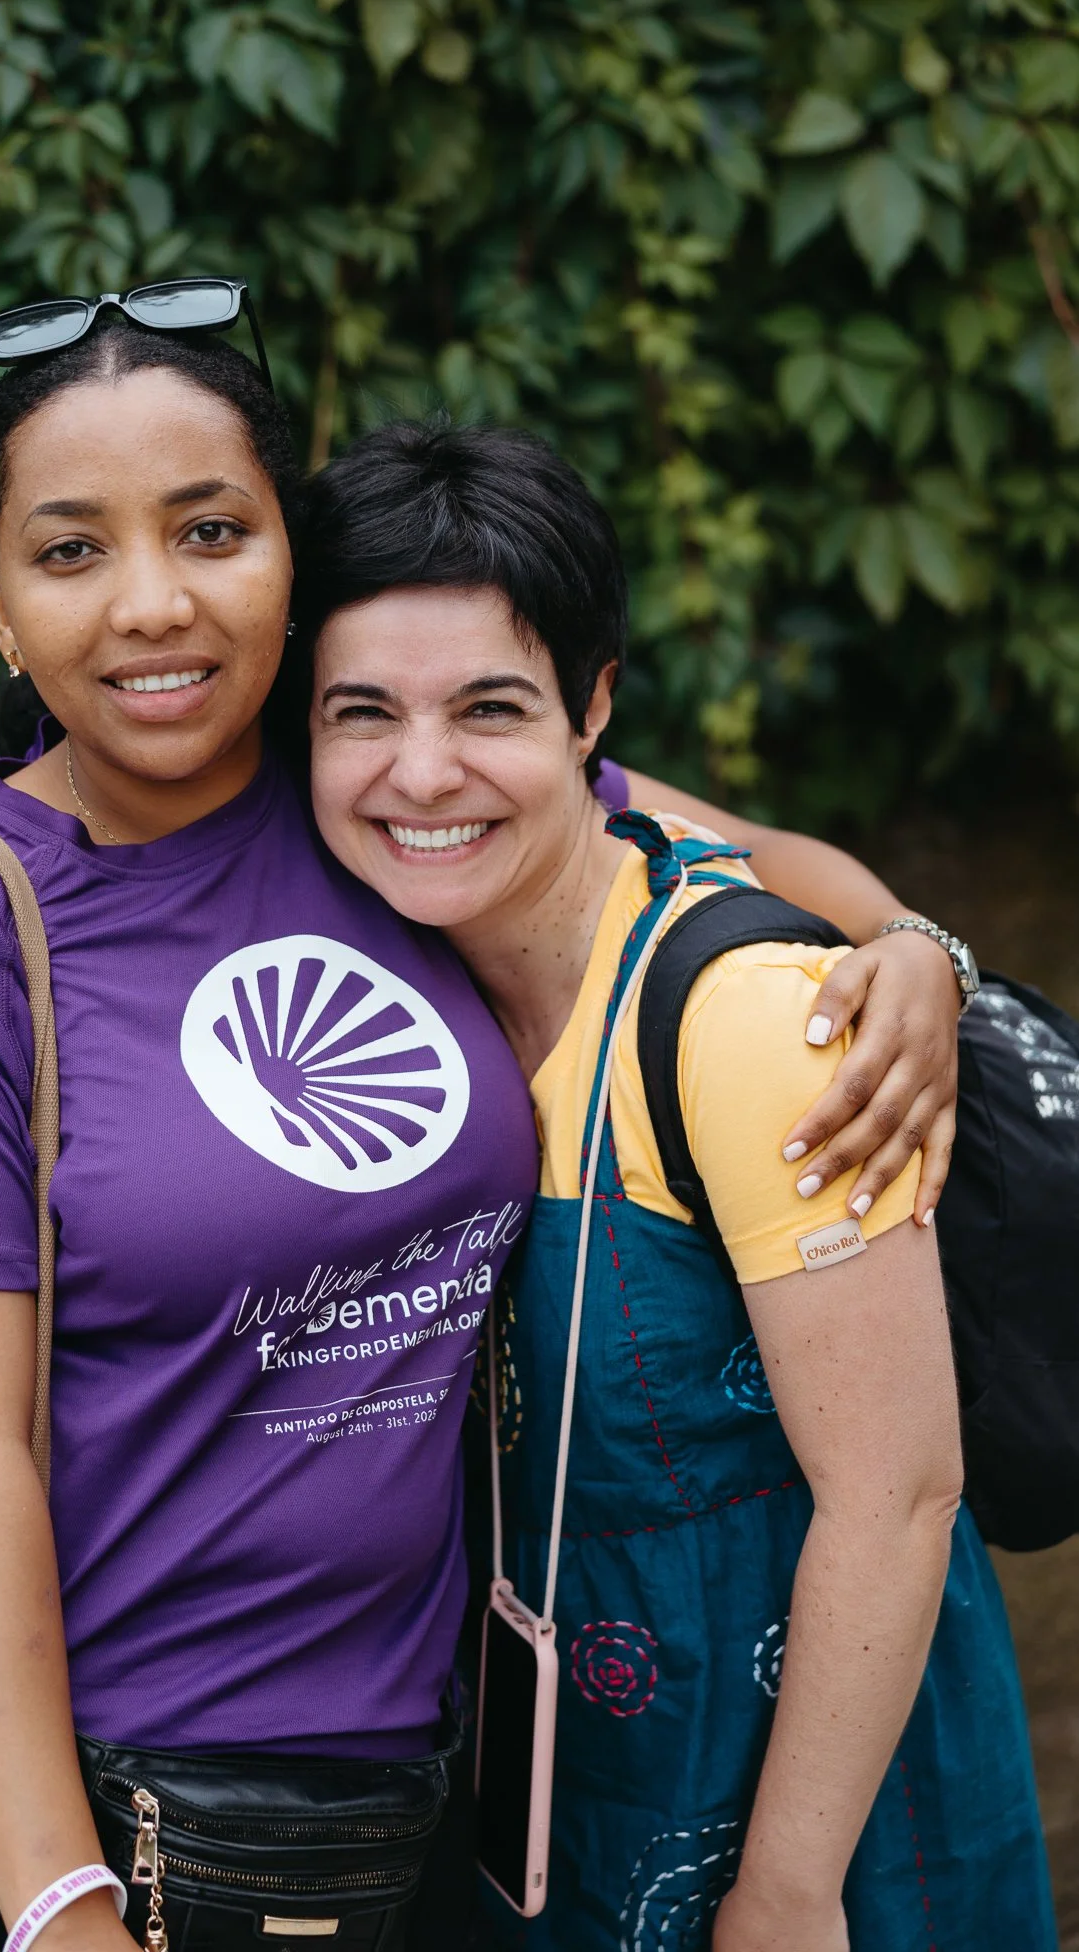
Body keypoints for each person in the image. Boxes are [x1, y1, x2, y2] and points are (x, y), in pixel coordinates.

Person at [0, 306, 964, 1952]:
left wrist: (914, 959)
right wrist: (60, 1911)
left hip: (405, 1796)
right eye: (69, 550)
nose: (153, 602)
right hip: (47, 1813)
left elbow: (760, 861)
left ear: (288, 559)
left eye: (211, 530)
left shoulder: (379, 791)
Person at [287, 422, 1055, 1950]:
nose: (422, 770)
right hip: (545, 1764)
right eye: (360, 711)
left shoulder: (746, 1023)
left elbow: (896, 1498)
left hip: (809, 1785)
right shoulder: (363, 942)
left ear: (592, 710)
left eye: (490, 709)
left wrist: (787, 1893)